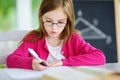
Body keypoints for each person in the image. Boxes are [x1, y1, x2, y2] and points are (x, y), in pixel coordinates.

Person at [6, 0, 106, 71]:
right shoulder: (33, 38)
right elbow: (10, 60)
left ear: (68, 21)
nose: (54, 28)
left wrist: (64, 62)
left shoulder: (73, 39)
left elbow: (100, 57)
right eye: (49, 21)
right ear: (41, 18)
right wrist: (31, 63)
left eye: (60, 22)